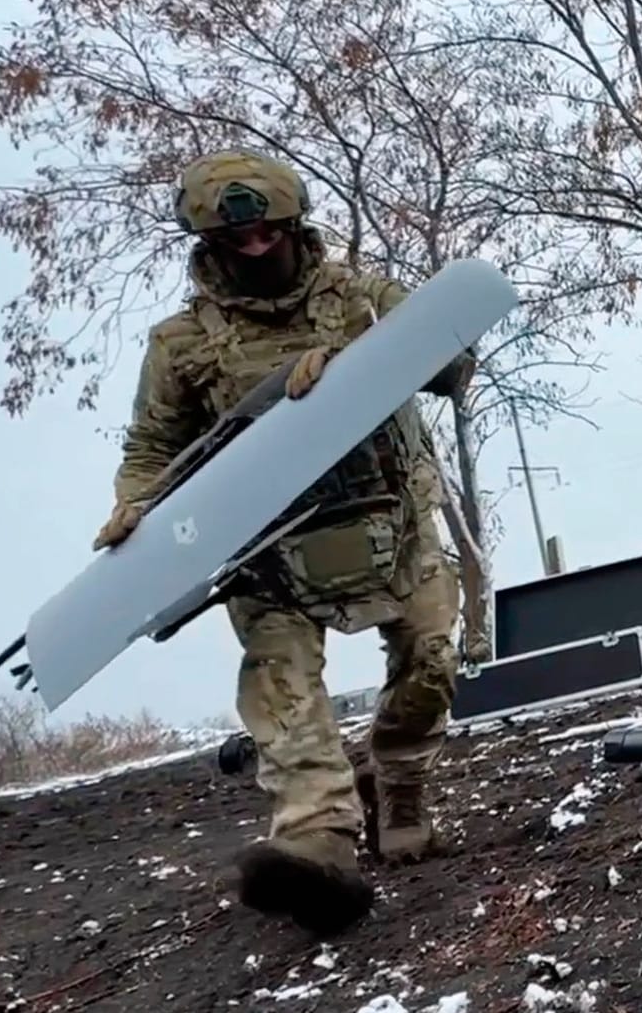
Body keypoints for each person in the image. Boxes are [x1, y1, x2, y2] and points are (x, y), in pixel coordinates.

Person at [95, 150, 472, 935]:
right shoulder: (182, 345)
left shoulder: (363, 299)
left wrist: (353, 367)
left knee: (431, 661)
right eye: (240, 241)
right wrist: (135, 505)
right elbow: (150, 447)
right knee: (283, 695)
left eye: (270, 233)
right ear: (208, 244)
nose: (257, 249)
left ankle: (397, 788)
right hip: (268, 551)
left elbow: (454, 363)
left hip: (391, 521)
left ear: (294, 224)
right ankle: (316, 848)